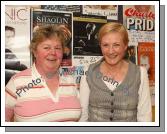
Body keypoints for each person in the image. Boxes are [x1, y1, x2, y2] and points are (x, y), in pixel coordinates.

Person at [5, 25, 81, 122]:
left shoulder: (70, 80)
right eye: (46, 47)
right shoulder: (17, 82)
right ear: (35, 52)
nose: (53, 52)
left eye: (58, 48)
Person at [79, 22, 152, 122]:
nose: (110, 51)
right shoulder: (88, 71)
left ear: (125, 45)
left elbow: (144, 117)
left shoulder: (140, 73)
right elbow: (83, 115)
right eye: (105, 45)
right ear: (100, 46)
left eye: (116, 45)